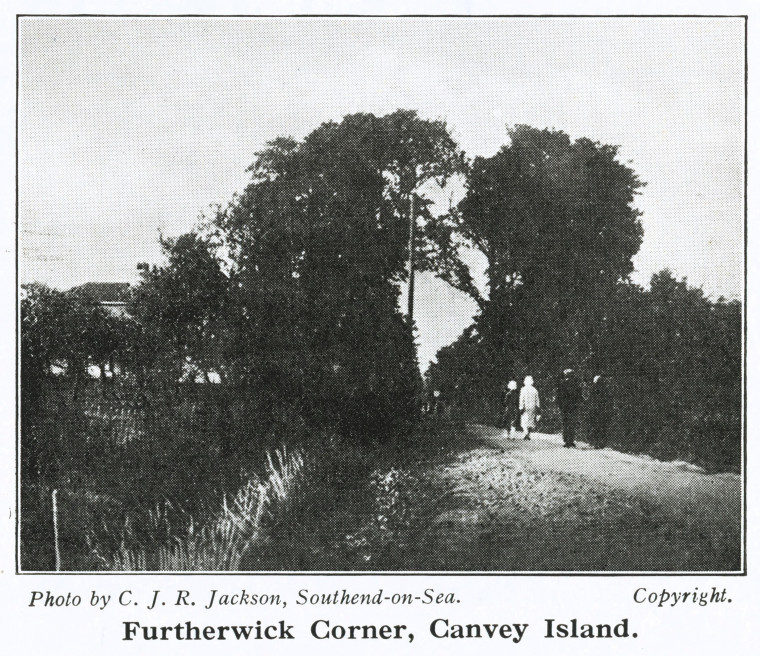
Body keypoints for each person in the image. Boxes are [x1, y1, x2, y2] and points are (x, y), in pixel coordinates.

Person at [555, 368, 582, 447]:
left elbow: (558, 397)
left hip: (565, 408)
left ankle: (567, 441)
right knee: (572, 424)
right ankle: (571, 440)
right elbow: (579, 397)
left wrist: (560, 406)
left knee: (565, 423)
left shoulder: (562, 384)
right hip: (573, 408)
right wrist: (578, 405)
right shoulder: (577, 384)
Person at [588, 374, 613, 448]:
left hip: (595, 410)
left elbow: (590, 399)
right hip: (603, 410)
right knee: (602, 426)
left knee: (595, 426)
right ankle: (601, 443)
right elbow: (609, 400)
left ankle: (595, 443)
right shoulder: (606, 389)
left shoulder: (593, 388)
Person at [519, 375, 540, 440]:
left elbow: (521, 399)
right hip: (532, 407)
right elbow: (537, 400)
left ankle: (526, 432)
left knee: (524, 420)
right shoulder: (535, 390)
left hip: (525, 407)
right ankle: (528, 435)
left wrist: (521, 407)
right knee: (531, 421)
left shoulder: (523, 389)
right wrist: (538, 408)